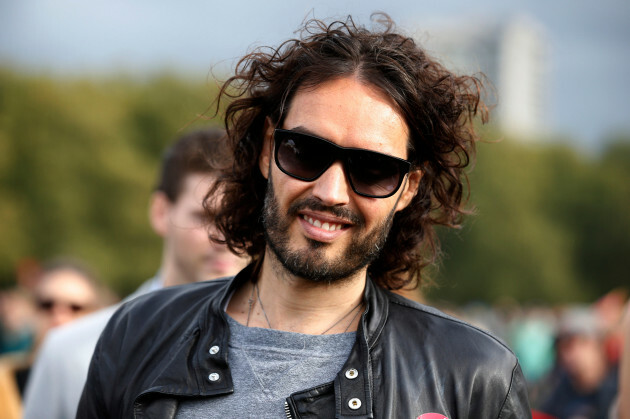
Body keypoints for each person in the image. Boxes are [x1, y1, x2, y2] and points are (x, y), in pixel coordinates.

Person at [78, 14, 531, 418]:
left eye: (372, 169)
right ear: (267, 150)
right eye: (305, 152)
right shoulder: (137, 334)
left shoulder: (473, 378)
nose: (331, 192)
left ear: (408, 188)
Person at [22, 128, 248, 419]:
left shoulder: (276, 354)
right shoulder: (72, 351)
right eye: (205, 217)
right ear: (160, 212)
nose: (224, 237)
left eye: (240, 218)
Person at [0, 259, 112, 419]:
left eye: (75, 307)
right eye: (47, 305)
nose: (58, 316)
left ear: (97, 314)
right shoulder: (5, 381)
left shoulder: (109, 388)